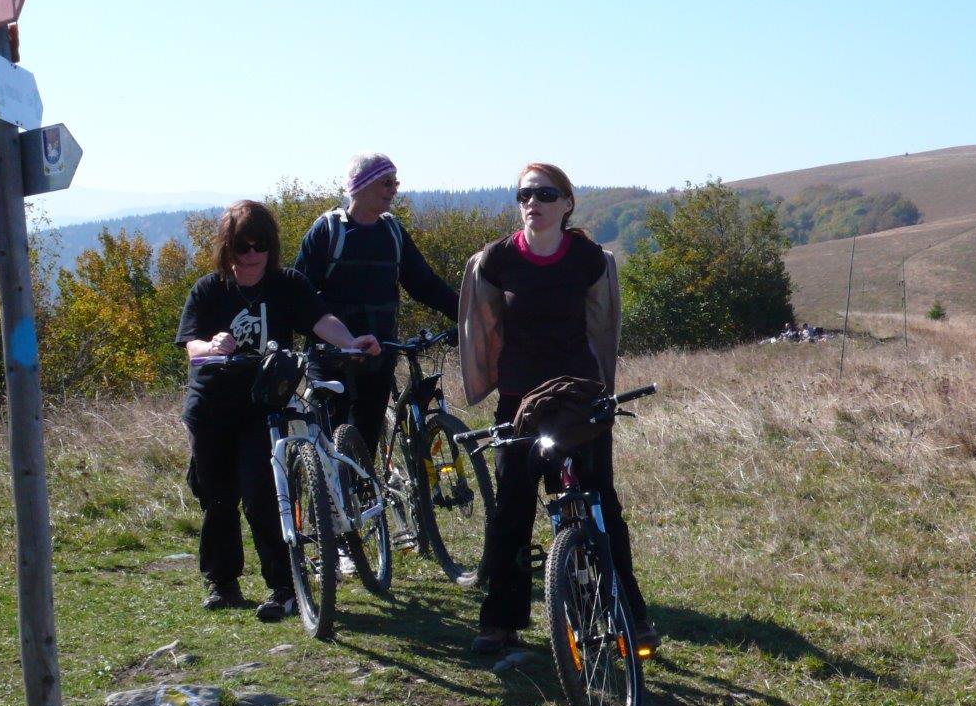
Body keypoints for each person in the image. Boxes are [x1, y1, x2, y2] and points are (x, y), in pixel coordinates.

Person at [459, 162, 660, 654]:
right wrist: (486, 384)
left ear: (567, 203)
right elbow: (483, 327)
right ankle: (500, 621)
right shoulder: (495, 260)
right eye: (525, 194)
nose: (534, 202)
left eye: (546, 194)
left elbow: (603, 326)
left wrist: (604, 392)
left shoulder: (590, 259)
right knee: (511, 510)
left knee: (601, 506)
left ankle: (631, 617)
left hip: (578, 397)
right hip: (518, 401)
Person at [176, 200, 380, 620]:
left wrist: (350, 342)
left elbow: (321, 320)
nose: (252, 254)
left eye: (260, 244)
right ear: (227, 247)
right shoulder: (208, 289)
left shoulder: (287, 284)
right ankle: (222, 583)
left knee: (263, 496)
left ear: (272, 246)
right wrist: (211, 346)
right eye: (242, 245)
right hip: (211, 408)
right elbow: (191, 346)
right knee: (217, 498)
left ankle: (285, 586)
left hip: (263, 405)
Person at [293, 152, 458, 453]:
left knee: (366, 448)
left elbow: (424, 284)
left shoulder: (393, 232)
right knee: (329, 452)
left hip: (379, 354)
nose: (393, 190)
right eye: (386, 182)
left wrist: (464, 315)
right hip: (331, 358)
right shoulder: (328, 231)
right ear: (360, 185)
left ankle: (367, 483)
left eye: (395, 183)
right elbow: (299, 294)